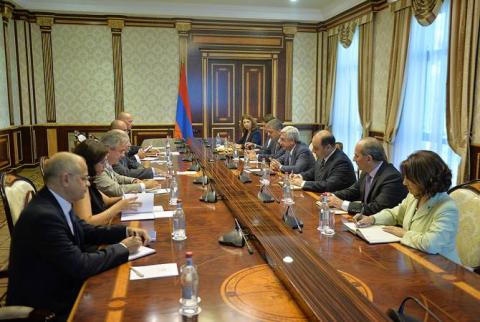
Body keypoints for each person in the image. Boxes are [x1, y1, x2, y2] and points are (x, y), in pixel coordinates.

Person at [6, 152, 150, 319]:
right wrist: (124, 248)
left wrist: (125, 232)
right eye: (83, 179)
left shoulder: (55, 201)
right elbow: (80, 265)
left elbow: (86, 230)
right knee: (127, 303)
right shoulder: (44, 216)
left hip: (63, 283)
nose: (88, 184)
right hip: (48, 305)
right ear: (66, 179)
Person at [356, 150, 460, 264]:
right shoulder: (414, 195)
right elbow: (395, 214)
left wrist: (404, 234)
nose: (404, 183)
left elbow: (431, 244)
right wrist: (372, 219)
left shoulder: (447, 208)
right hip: (414, 258)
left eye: (409, 178)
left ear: (425, 179)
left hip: (440, 267)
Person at [327, 137, 407, 215]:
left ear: (369, 159)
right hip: (365, 221)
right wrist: (332, 196)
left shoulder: (392, 177)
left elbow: (376, 208)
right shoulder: (366, 171)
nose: (353, 159)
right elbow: (353, 191)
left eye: (357, 156)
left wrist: (342, 204)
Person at [73, 139, 140, 225]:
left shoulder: (91, 179)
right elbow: (87, 222)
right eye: (102, 162)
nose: (105, 166)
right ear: (89, 163)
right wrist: (118, 207)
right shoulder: (80, 186)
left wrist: (129, 197)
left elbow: (107, 200)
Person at [94, 130, 160, 197]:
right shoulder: (97, 166)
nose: (123, 155)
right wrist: (144, 185)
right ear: (107, 149)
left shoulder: (106, 163)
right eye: (121, 151)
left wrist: (133, 180)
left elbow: (116, 177)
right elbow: (116, 190)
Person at [291, 130, 356, 192]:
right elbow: (314, 171)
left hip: (336, 199)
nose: (313, 151)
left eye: (316, 148)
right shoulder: (323, 154)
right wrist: (300, 176)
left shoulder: (342, 162)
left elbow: (329, 185)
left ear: (328, 147)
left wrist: (302, 183)